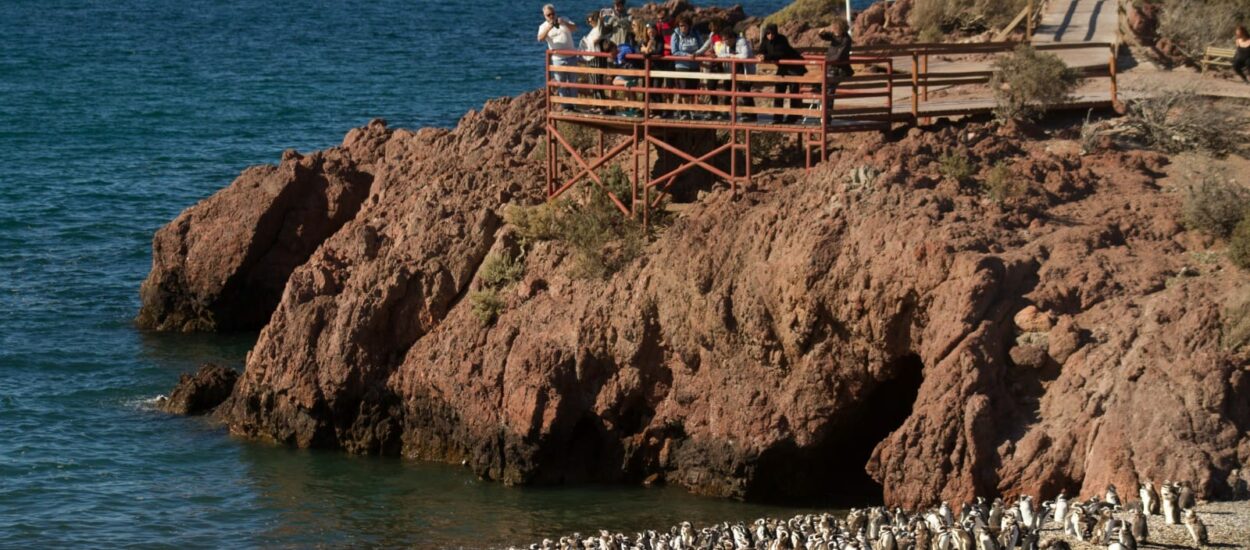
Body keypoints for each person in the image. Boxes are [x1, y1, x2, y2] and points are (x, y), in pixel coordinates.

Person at [756, 23, 805, 123]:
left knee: (793, 93)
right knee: (779, 91)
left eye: (772, 33)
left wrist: (766, 57)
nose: (770, 35)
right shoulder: (766, 40)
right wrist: (760, 55)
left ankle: (793, 117)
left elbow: (780, 54)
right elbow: (761, 50)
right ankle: (777, 117)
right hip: (783, 68)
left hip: (794, 67)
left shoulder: (781, 39)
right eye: (768, 33)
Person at [538, 4, 579, 103]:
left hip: (572, 56)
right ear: (544, 16)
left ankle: (574, 104)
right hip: (558, 59)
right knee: (561, 83)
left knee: (573, 82)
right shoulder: (543, 26)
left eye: (553, 13)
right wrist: (549, 28)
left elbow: (575, 28)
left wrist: (564, 23)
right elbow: (540, 38)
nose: (551, 16)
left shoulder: (564, 19)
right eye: (548, 15)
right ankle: (566, 106)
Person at [818, 18, 854, 120]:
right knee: (824, 88)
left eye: (835, 28)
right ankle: (824, 112)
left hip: (839, 69)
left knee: (829, 89)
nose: (833, 30)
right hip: (830, 68)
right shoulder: (835, 36)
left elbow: (839, 56)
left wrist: (827, 61)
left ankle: (826, 115)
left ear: (840, 28)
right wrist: (821, 32)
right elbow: (825, 36)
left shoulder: (846, 39)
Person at [669, 14, 704, 118]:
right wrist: (686, 55)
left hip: (694, 65)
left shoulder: (695, 34)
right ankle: (685, 111)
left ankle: (691, 111)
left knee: (692, 89)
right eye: (680, 25)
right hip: (681, 66)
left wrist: (697, 54)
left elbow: (701, 46)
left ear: (689, 25)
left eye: (684, 25)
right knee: (683, 89)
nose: (683, 28)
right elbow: (674, 51)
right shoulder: (675, 35)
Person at [719, 30, 756, 121]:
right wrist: (732, 56)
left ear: (732, 38)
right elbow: (720, 54)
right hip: (731, 71)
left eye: (726, 40)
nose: (724, 43)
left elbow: (745, 55)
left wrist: (731, 56)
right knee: (727, 91)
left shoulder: (741, 42)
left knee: (744, 92)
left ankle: (750, 115)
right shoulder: (726, 45)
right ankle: (725, 112)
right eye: (723, 40)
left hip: (744, 71)